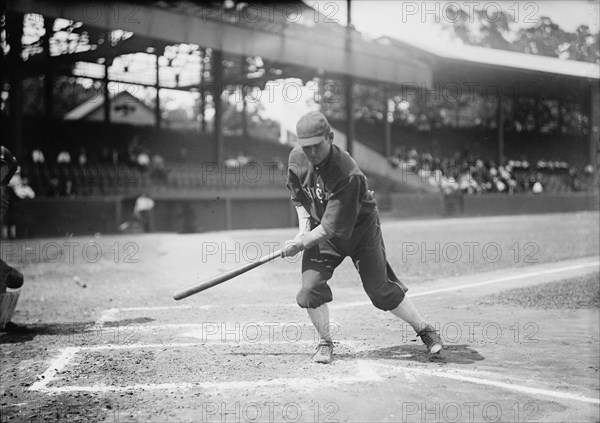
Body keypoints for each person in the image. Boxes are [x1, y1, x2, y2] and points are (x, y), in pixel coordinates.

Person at [281, 111, 443, 364]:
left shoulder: (348, 174)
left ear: (330, 137)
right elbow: (299, 197)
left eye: (316, 146)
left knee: (380, 292)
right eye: (305, 147)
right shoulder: (297, 158)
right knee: (310, 288)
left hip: (360, 231)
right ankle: (325, 341)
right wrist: (302, 230)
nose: (311, 153)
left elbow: (331, 228)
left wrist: (301, 243)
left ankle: (424, 329)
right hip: (319, 231)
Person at [0, 146, 25, 331]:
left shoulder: (3, 189)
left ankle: (2, 320)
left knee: (14, 278)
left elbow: (13, 163)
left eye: (2, 166)